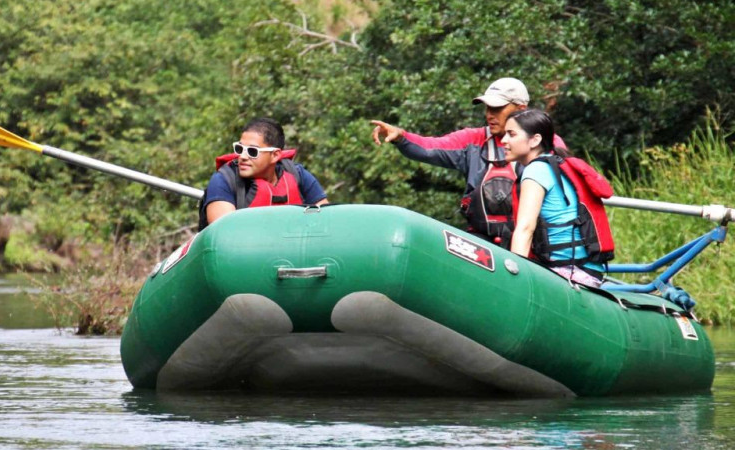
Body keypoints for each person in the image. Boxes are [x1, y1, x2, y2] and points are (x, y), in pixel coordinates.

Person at [371, 77, 565, 247]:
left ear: (521, 109)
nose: (489, 114)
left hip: (530, 240)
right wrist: (401, 137)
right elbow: (430, 148)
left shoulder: (545, 143)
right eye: (488, 108)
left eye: (497, 108)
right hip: (481, 241)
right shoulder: (472, 140)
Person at [500, 108, 608, 288]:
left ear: (535, 140)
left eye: (511, 134)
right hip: (588, 270)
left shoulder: (536, 170)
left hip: (568, 272)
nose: (503, 140)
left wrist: (514, 278)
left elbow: (525, 229)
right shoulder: (554, 163)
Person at [199, 118, 329, 228]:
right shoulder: (223, 180)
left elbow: (326, 221)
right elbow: (224, 235)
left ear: (275, 155)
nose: (242, 157)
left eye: (252, 151)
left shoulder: (298, 175)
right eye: (239, 149)